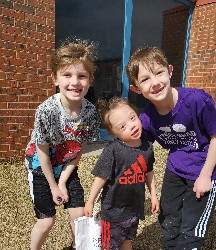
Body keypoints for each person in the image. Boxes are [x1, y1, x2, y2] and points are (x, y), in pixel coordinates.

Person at [126, 46, 216, 250]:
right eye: (145, 79)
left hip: (204, 169)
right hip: (176, 169)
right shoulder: (147, 119)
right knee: (169, 218)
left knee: (192, 226)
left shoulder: (196, 100)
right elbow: (138, 149)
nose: (155, 83)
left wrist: (206, 176)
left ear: (170, 71)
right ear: (136, 88)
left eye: (159, 72)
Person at [25, 39, 101, 250]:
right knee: (46, 221)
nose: (75, 82)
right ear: (55, 79)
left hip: (66, 165)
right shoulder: (46, 111)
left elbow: (79, 149)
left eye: (82, 76)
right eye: (67, 75)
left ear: (90, 80)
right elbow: (42, 155)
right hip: (41, 168)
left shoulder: (91, 113)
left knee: (79, 217)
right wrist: (53, 186)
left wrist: (63, 180)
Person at [84, 97, 159, 250]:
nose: (132, 126)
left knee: (127, 241)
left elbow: (149, 173)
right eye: (122, 126)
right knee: (110, 246)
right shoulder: (112, 150)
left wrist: (154, 196)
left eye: (132, 118)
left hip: (133, 210)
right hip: (112, 212)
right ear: (112, 133)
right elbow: (101, 177)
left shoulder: (147, 148)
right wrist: (90, 201)